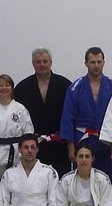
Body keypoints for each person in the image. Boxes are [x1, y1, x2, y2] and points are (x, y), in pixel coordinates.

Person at [60, 46, 112, 179]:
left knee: (106, 179)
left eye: (99, 62)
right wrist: (71, 148)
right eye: (92, 62)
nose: (96, 66)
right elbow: (67, 118)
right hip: (82, 143)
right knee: (82, 180)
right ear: (86, 63)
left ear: (104, 62)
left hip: (105, 142)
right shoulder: (75, 87)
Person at [14, 47, 73, 177]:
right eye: (38, 61)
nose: (42, 64)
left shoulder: (65, 85)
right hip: (34, 145)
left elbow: (71, 115)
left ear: (51, 62)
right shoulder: (22, 88)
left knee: (61, 179)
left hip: (59, 145)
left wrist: (71, 146)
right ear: (33, 64)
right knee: (35, 180)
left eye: (45, 61)